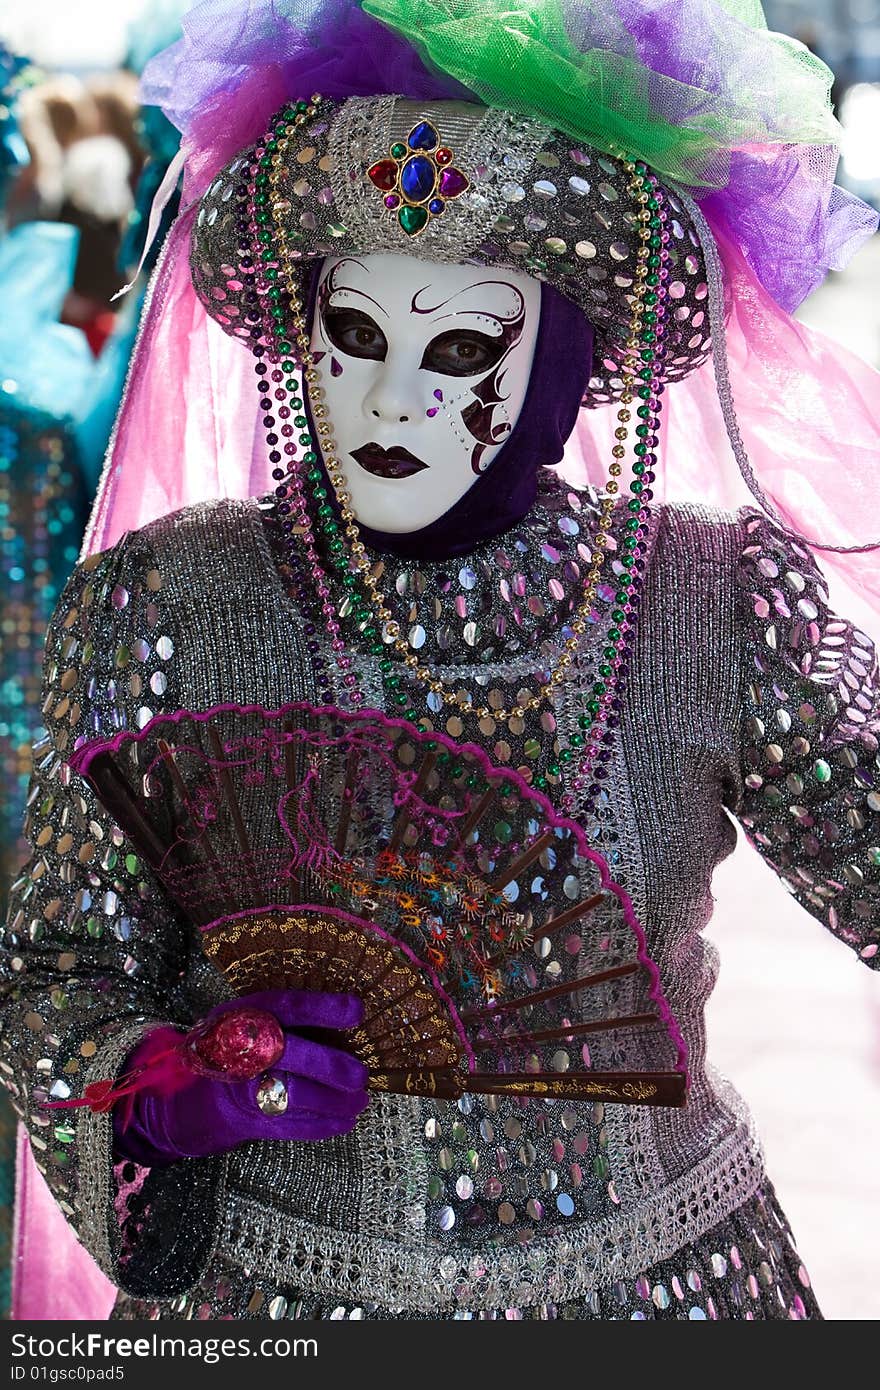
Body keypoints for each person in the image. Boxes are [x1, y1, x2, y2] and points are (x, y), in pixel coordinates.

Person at [1, 0, 878, 1322]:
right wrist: (168, 1086)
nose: (395, 397)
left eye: (463, 347)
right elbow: (59, 965)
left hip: (658, 1288)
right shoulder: (165, 607)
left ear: (567, 365)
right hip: (270, 1304)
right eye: (354, 336)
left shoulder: (710, 603)